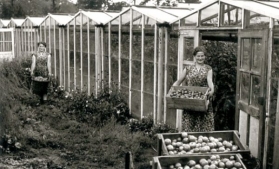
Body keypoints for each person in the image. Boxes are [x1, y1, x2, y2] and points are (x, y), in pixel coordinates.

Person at [172, 46, 214, 132]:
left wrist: (212, 90)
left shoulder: (208, 69)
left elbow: (210, 81)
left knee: (204, 127)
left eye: (202, 56)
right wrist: (172, 90)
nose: (200, 58)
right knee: (189, 125)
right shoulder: (188, 68)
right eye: (198, 56)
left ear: (205, 56)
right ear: (194, 57)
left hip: (203, 99)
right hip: (190, 100)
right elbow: (178, 81)